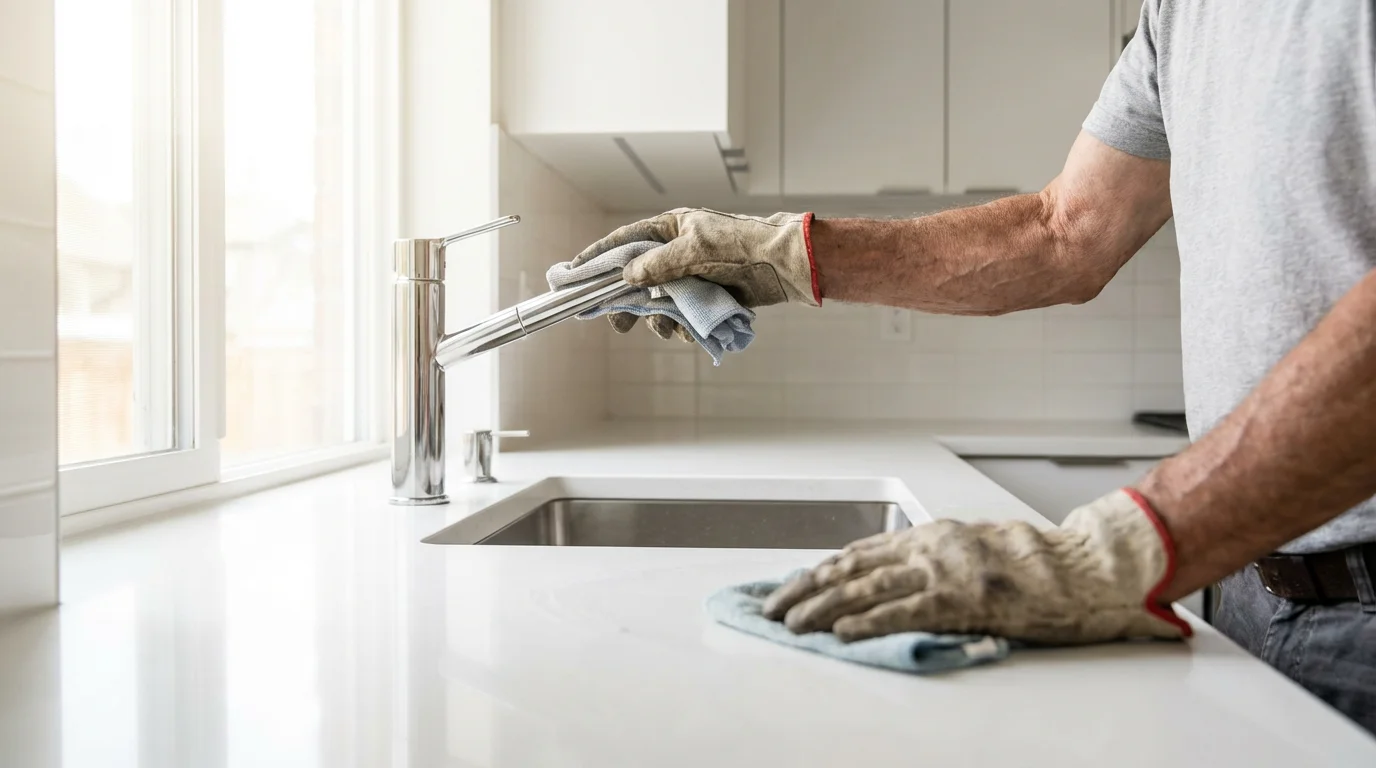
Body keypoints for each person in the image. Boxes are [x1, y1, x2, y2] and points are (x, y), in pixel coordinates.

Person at [570, 1, 1376, 732]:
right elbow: (1065, 233)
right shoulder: (1182, 14)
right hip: (1246, 581)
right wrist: (787, 255)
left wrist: (1113, 552)